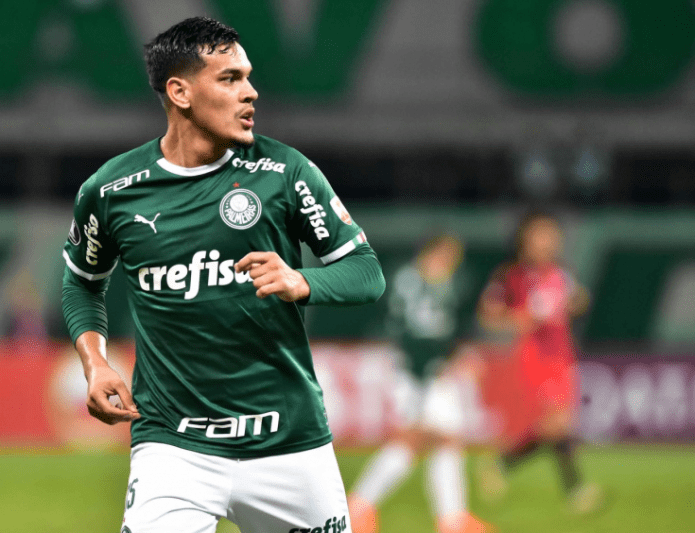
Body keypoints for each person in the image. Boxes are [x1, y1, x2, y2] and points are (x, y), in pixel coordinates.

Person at [60, 17, 385, 533]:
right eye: (230, 79)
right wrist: (95, 363)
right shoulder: (112, 191)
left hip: (289, 444)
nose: (251, 92)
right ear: (180, 92)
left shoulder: (285, 173)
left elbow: (366, 271)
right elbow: (82, 280)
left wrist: (304, 281)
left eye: (248, 78)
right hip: (173, 447)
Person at [347, 235, 492, 533]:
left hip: (427, 369)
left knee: (440, 439)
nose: (451, 264)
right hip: (419, 372)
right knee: (419, 439)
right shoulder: (418, 283)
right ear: (431, 253)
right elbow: (416, 331)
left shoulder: (421, 281)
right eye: (447, 256)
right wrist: (438, 363)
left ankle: (451, 519)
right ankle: (361, 506)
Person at [477, 212, 600, 514]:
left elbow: (577, 301)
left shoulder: (562, 273)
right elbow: (488, 315)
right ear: (526, 240)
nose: (548, 242)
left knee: (556, 428)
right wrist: (516, 320)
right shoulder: (511, 276)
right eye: (540, 235)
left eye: (551, 236)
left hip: (563, 355)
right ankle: (576, 490)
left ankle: (501, 464)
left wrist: (578, 301)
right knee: (557, 424)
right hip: (535, 357)